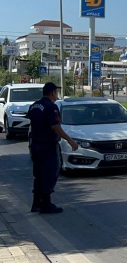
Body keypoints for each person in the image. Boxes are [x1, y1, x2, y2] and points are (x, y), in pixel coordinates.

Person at [27, 82, 78, 214]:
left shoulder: (34, 106)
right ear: (52, 93)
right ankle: (46, 204)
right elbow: (55, 126)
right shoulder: (51, 107)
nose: (57, 95)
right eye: (56, 92)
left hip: (35, 145)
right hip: (47, 146)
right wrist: (70, 140)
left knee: (38, 174)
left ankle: (36, 203)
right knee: (50, 174)